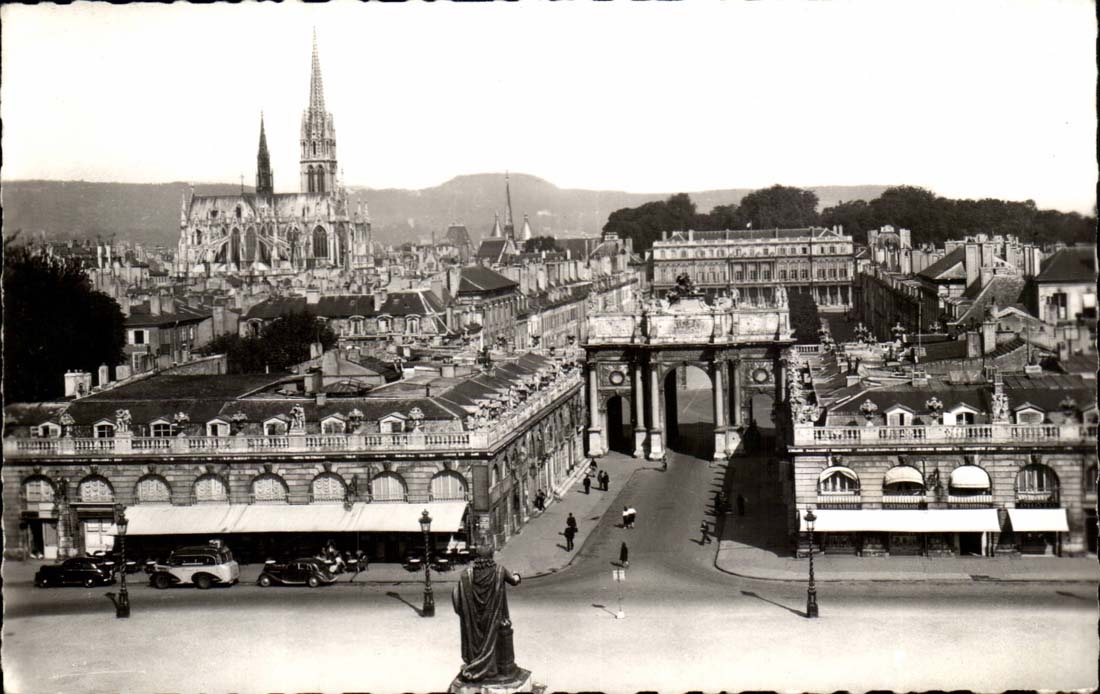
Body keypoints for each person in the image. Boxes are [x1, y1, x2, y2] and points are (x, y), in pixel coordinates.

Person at [451, 546, 523, 683]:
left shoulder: (468, 574)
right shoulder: (499, 571)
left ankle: (477, 665)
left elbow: (458, 596)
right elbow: (514, 581)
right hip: (493, 617)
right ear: (490, 556)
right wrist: (517, 575)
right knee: (494, 640)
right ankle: (492, 669)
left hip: (474, 620)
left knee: (478, 640)